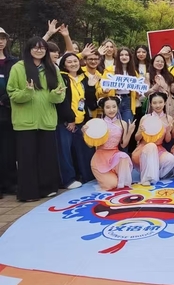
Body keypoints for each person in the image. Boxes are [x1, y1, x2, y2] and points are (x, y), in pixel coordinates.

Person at [7, 37, 66, 202]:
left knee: (47, 157)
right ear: (29, 49)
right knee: (27, 159)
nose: (39, 50)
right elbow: (12, 93)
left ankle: (48, 188)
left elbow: (60, 95)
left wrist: (56, 94)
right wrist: (27, 92)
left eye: (42, 48)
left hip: (47, 121)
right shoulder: (18, 68)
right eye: (35, 47)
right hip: (25, 122)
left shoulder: (52, 68)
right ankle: (28, 193)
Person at [56, 53, 100, 189]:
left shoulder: (84, 78)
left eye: (75, 61)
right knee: (65, 152)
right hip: (66, 122)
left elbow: (90, 103)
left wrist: (91, 87)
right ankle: (68, 180)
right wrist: (70, 119)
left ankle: (88, 177)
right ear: (64, 64)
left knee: (85, 149)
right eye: (69, 62)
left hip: (82, 121)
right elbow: (62, 101)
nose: (73, 64)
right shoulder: (61, 78)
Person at [86, 97, 135, 190]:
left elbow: (123, 145)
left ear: (117, 107)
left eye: (114, 107)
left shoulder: (123, 123)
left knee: (123, 156)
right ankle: (109, 176)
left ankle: (117, 175)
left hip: (115, 156)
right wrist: (85, 133)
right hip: (100, 158)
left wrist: (130, 131)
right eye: (108, 107)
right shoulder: (98, 123)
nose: (111, 110)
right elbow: (90, 145)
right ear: (103, 108)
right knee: (112, 185)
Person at [132, 92, 174, 185]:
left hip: (159, 149)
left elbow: (167, 140)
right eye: (154, 103)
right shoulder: (145, 118)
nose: (158, 105)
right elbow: (137, 138)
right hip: (144, 148)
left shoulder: (169, 118)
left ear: (164, 103)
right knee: (151, 146)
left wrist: (168, 131)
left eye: (160, 102)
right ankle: (147, 178)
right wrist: (141, 131)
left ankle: (155, 175)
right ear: (151, 104)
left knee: (171, 159)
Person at [0, 28, 18, 198]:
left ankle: (11, 183)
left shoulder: (13, 62)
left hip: (9, 111)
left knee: (9, 150)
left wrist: (6, 98)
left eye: (3, 38)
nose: (0, 41)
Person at [99, 47, 139, 123]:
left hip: (128, 101)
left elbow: (137, 92)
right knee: (114, 126)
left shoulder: (134, 73)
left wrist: (138, 93)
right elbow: (100, 88)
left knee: (127, 126)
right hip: (113, 101)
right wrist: (104, 90)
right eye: (121, 55)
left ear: (130, 57)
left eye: (126, 55)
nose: (124, 57)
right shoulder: (110, 70)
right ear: (118, 57)